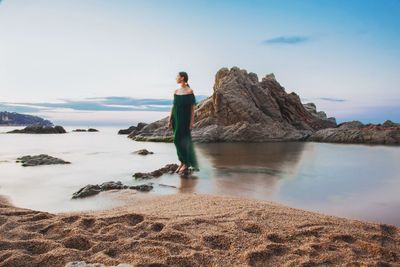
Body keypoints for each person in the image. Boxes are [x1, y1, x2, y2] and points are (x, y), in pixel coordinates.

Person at [167, 71, 200, 175]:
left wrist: (191, 122)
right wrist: (170, 118)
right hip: (175, 118)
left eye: (177, 76)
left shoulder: (190, 91)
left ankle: (186, 162)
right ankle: (182, 162)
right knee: (177, 140)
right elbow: (173, 106)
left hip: (185, 119)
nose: (176, 78)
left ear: (182, 78)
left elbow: (192, 108)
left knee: (180, 140)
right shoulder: (176, 91)